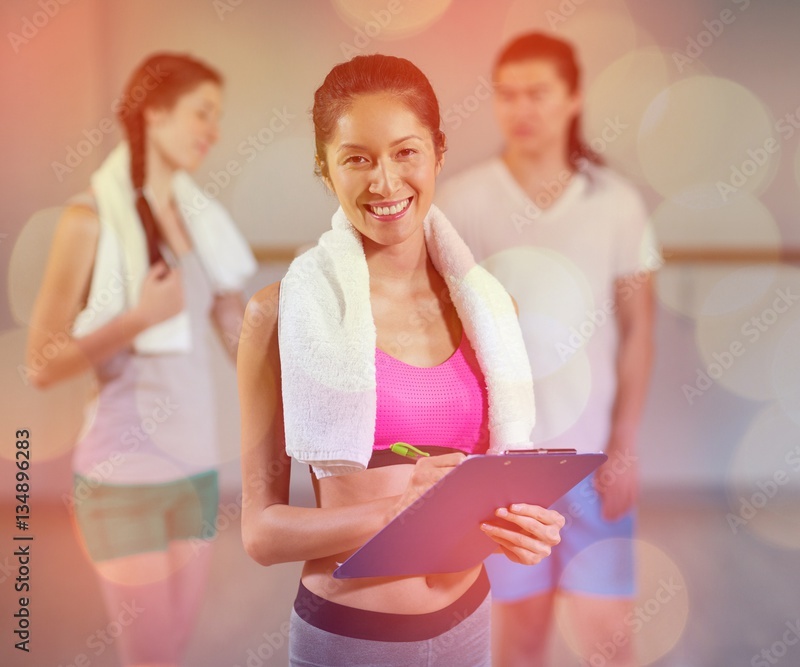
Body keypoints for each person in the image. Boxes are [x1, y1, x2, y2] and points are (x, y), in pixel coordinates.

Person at [237, 53, 565, 666]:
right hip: (354, 639)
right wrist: (397, 509)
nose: (385, 183)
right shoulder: (281, 315)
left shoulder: (491, 311)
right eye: (356, 158)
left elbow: (484, 488)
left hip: (469, 620)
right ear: (325, 169)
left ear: (439, 152)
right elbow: (261, 535)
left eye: (405, 152)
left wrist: (520, 530)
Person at [25, 53, 256, 666]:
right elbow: (41, 364)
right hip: (122, 476)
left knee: (172, 648)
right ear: (154, 112)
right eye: (202, 113)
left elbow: (237, 333)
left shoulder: (202, 225)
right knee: (148, 654)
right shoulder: (88, 220)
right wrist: (136, 321)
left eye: (218, 116)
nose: (213, 130)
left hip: (195, 471)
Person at [436, 32, 657, 666]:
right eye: (507, 95)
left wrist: (626, 445)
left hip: (593, 458)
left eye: (538, 93)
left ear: (573, 99)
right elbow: (445, 339)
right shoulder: (461, 202)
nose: (521, 109)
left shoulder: (617, 203)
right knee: (518, 640)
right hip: (503, 466)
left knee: (609, 642)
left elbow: (640, 329)